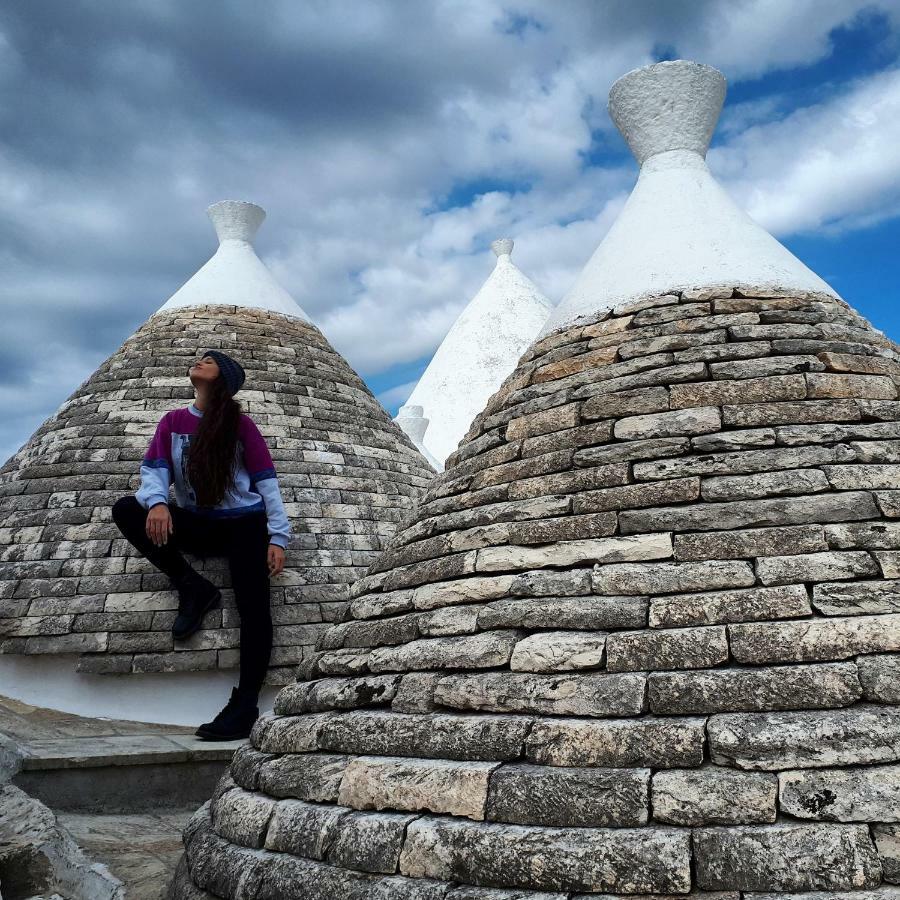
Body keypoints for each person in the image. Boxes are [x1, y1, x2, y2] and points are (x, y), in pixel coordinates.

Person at [111, 350, 290, 740]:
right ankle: (193, 586)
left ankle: (244, 705)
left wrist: (277, 537)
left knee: (254, 608)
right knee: (127, 509)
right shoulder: (173, 422)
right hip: (200, 523)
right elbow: (154, 469)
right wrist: (157, 503)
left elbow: (266, 482)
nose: (198, 361)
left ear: (221, 378)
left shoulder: (241, 426)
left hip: (245, 525)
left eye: (208, 361)